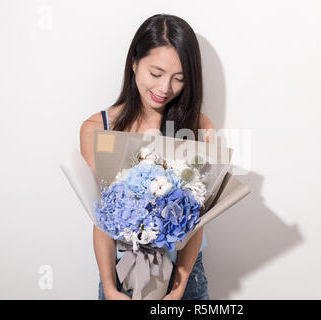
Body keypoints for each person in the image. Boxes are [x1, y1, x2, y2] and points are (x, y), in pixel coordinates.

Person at [79, 13, 216, 300]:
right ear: (134, 62)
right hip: (122, 273)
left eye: (179, 79)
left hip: (184, 274)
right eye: (156, 74)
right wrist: (109, 287)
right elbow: (102, 218)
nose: (165, 89)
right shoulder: (98, 129)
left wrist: (178, 288)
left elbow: (197, 219)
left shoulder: (199, 127)